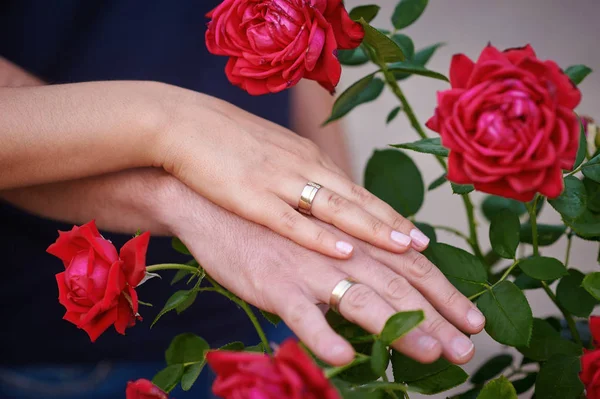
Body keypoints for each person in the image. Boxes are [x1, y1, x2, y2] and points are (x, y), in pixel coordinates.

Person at [0, 1, 485, 398]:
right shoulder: (175, 122)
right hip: (70, 356)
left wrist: (332, 201)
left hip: (282, 288)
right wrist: (171, 131)